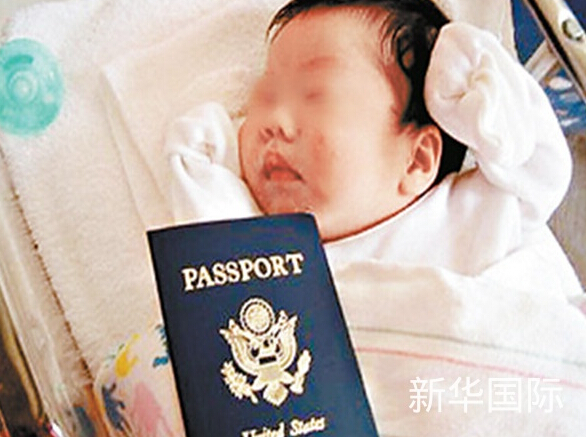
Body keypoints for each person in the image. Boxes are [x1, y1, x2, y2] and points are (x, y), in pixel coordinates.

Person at [164, 0, 582, 293]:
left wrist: (463, 66)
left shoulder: (471, 213)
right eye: (268, 95)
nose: (275, 121)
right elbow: (200, 197)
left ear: (417, 160)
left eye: (317, 95)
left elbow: (536, 160)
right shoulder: (261, 253)